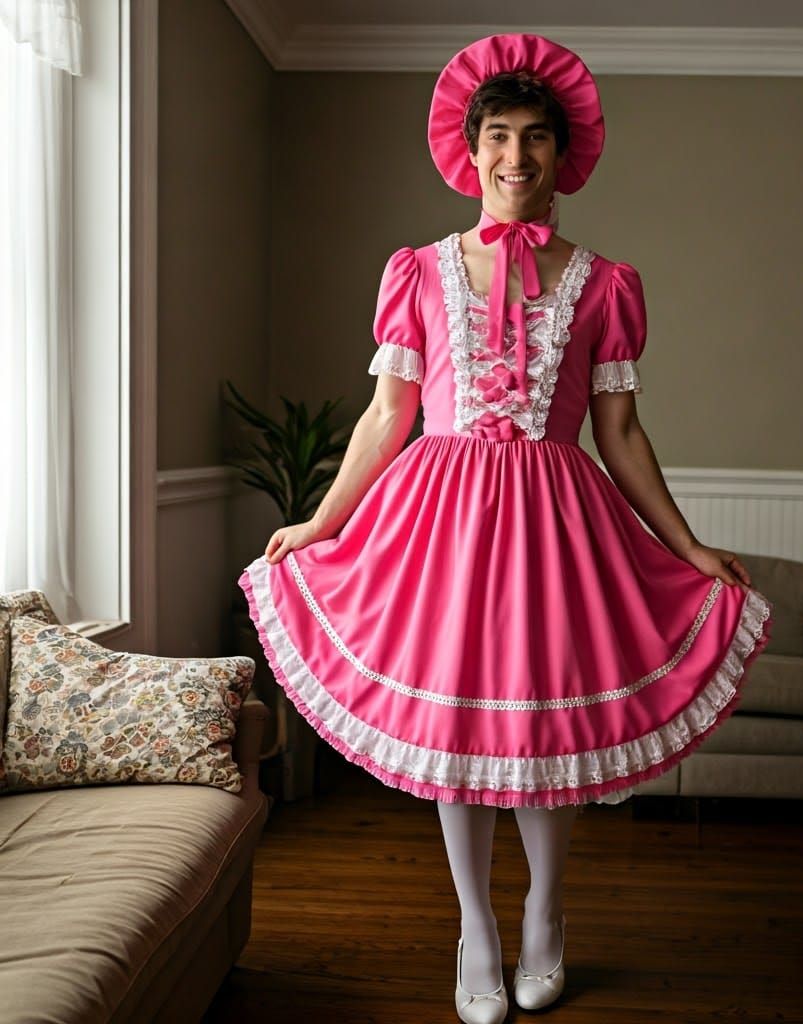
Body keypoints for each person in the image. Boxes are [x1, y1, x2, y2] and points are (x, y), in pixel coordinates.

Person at [238, 33, 773, 1024]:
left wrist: (687, 546)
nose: (515, 157)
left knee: (536, 736)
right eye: (497, 136)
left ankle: (545, 920)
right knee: (458, 735)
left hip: (553, 533)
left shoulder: (606, 283)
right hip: (437, 525)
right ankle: (475, 932)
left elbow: (619, 430)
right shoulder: (418, 270)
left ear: (561, 155)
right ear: (468, 147)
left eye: (534, 138)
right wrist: (320, 519)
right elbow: (387, 414)